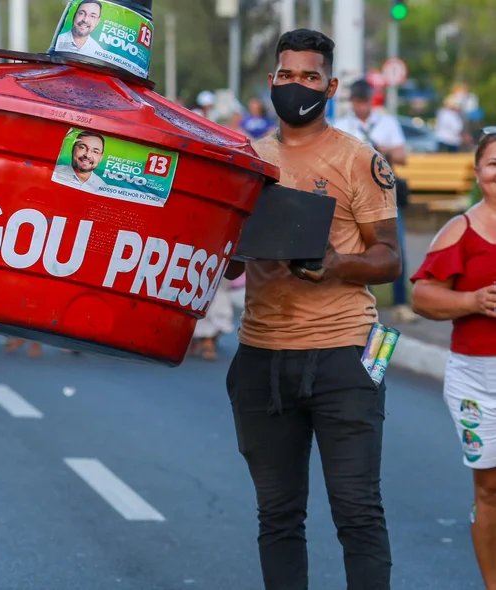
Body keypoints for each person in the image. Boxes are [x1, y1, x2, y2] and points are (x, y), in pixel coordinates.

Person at [223, 30, 403, 589]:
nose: (294, 85)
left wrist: (336, 265)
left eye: (308, 76)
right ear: (271, 79)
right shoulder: (247, 160)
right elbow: (224, 263)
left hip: (344, 357)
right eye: (285, 75)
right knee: (277, 516)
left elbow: (392, 259)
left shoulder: (359, 159)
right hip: (261, 359)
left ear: (330, 85)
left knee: (357, 511)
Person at [408, 129, 496, 587]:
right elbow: (422, 297)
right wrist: (473, 302)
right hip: (477, 379)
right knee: (489, 489)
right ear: (479, 172)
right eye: (494, 163)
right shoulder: (459, 230)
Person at [334, 79, 416, 323]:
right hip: (354, 193)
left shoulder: (386, 122)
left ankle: (401, 302)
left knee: (395, 245)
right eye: (357, 102)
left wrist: (382, 150)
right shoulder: (342, 125)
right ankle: (362, 304)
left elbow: (402, 156)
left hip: (384, 193)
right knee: (357, 248)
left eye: (364, 102)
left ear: (371, 101)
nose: (361, 107)